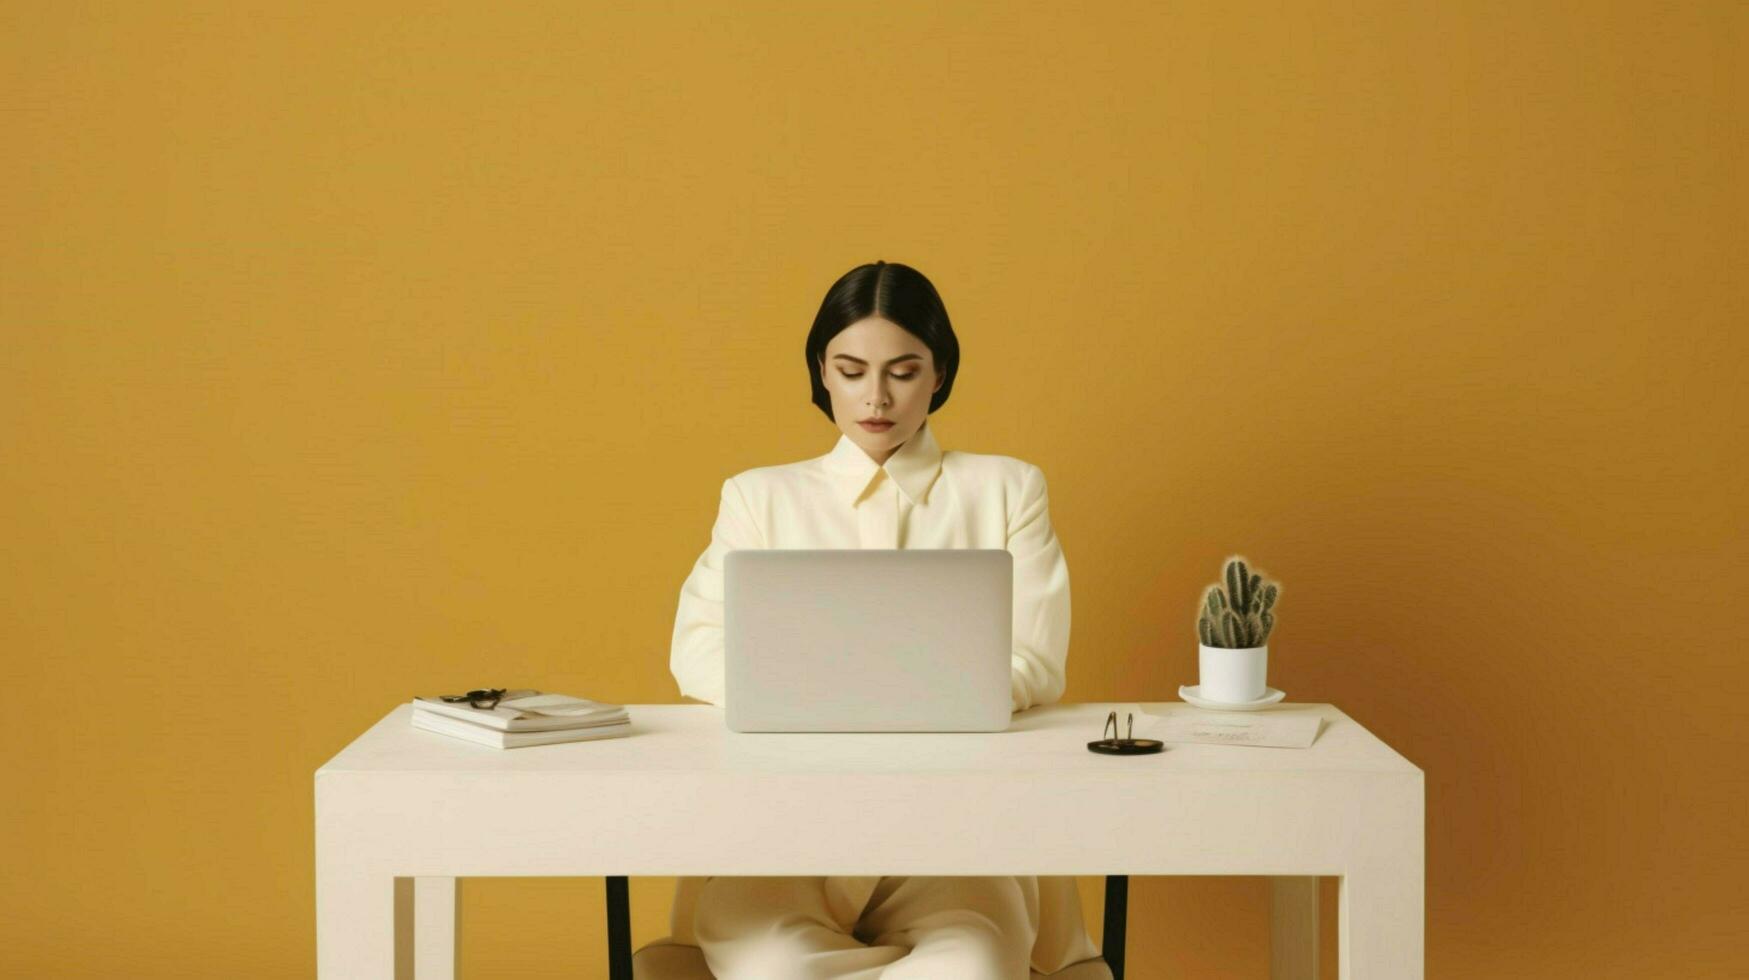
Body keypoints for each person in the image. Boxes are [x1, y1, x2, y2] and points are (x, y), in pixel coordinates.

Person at [667, 260, 1104, 980]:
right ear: (822, 373)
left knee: (969, 971)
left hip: (958, 838)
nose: (875, 396)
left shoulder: (1004, 488)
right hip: (785, 833)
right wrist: (896, 693)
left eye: (902, 371)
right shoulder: (758, 497)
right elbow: (697, 651)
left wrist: (835, 692)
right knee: (777, 968)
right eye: (851, 369)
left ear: (938, 374)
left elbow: (1034, 659)